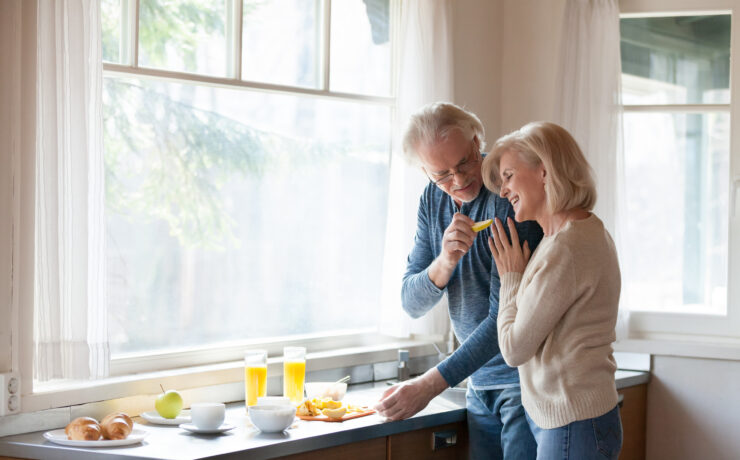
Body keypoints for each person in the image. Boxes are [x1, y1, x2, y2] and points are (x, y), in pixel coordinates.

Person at [373, 102, 543, 459]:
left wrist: (429, 384)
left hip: (523, 383)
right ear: (424, 171)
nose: (460, 179)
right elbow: (411, 303)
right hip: (477, 384)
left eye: (465, 162)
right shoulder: (433, 199)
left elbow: (504, 319)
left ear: (478, 140)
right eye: (442, 174)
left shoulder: (508, 198)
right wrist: (445, 261)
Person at [482, 121, 623, 459]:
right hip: (581, 420)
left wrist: (511, 278)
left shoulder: (566, 248)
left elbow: (514, 349)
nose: (503, 191)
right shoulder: (568, 235)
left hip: (574, 424)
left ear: (543, 172)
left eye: (509, 176)